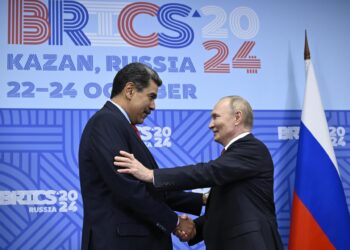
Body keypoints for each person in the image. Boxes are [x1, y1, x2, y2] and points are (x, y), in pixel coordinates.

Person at [115, 95, 284, 250]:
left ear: (237, 117)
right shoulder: (233, 156)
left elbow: (207, 172)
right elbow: (228, 206)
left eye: (215, 117)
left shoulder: (252, 149)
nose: (211, 124)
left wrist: (152, 175)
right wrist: (196, 228)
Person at [79, 62, 204, 250]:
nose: (153, 106)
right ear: (129, 90)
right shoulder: (106, 122)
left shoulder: (119, 125)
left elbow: (151, 188)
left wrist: (203, 200)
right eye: (151, 97)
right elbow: (128, 188)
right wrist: (175, 222)